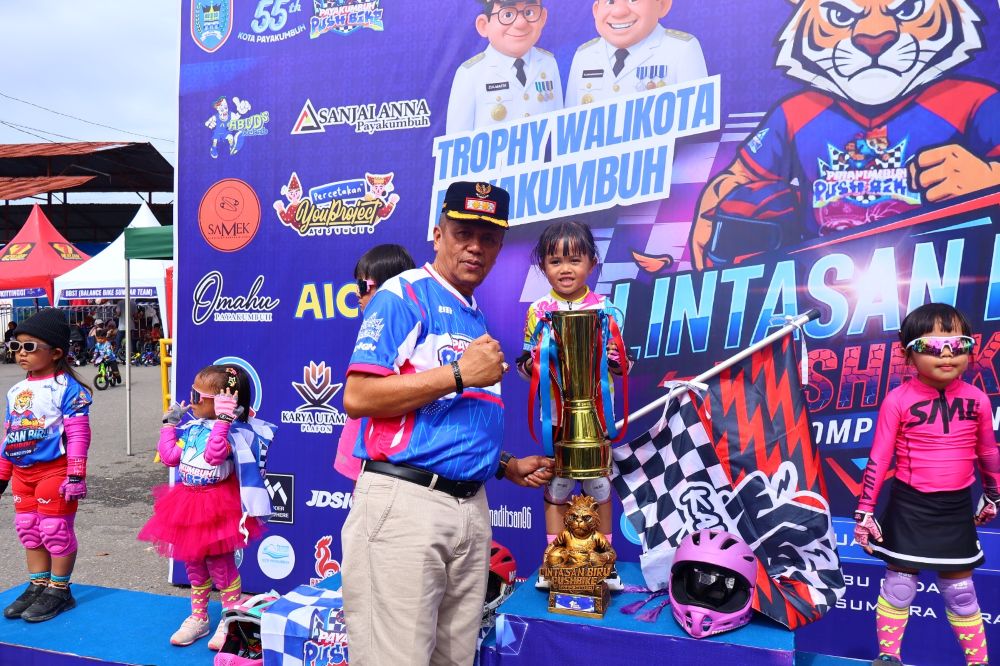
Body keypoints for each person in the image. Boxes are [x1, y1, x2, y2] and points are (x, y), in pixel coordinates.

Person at [341, 181, 554, 665]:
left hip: (470, 508)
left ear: (500, 247)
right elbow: (358, 397)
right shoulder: (403, 294)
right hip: (406, 504)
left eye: (488, 238)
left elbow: (449, 423)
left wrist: (506, 465)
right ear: (438, 235)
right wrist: (459, 373)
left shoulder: (473, 316)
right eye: (462, 234)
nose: (475, 247)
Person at [854, 303, 999, 666]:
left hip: (955, 507)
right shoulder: (897, 400)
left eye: (959, 344)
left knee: (961, 593)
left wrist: (994, 496)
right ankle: (889, 658)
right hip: (910, 505)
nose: (947, 354)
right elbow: (879, 458)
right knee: (899, 587)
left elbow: (988, 452)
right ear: (908, 354)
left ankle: (978, 662)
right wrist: (865, 511)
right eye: (932, 346)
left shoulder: (978, 400)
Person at [516, 220, 631, 590]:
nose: (565, 269)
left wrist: (615, 358)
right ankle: (553, 559)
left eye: (574, 260)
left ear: (592, 263)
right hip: (556, 419)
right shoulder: (538, 311)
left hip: (597, 416)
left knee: (600, 485)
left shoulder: (608, 310)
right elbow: (525, 365)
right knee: (558, 485)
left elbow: (622, 365)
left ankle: (605, 560)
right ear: (543, 266)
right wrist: (534, 363)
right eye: (555, 261)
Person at [138, 365, 273, 650]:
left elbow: (214, 455)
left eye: (198, 396)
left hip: (216, 505)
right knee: (195, 565)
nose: (192, 401)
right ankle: (199, 617)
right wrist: (169, 425)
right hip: (187, 502)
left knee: (221, 566)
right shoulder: (193, 428)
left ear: (225, 402)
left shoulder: (235, 433)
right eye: (192, 394)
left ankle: (230, 620)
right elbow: (169, 457)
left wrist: (223, 421)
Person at [0, 308, 93, 622]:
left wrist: (76, 474)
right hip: (22, 474)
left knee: (54, 530)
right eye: (15, 346)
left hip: (54, 471)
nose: (20, 353)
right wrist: (2, 474)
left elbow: (79, 433)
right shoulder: (15, 391)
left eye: (29, 346)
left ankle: (59, 589)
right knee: (29, 530)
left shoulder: (68, 388)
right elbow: (11, 435)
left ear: (55, 353)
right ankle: (38, 584)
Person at [334, 244, 416, 482]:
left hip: (394, 463)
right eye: (356, 285)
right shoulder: (373, 329)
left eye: (363, 285)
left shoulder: (409, 331)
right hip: (368, 460)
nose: (357, 294)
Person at [446, 0, 562, 134]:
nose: (521, 23)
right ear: (484, 25)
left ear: (542, 18)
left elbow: (560, 127)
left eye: (529, 12)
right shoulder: (471, 74)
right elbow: (458, 141)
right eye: (507, 15)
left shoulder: (548, 63)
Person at [565, 0, 706, 106]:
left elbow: (697, 121)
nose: (619, 11)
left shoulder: (682, 49)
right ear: (596, 11)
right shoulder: (584, 56)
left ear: (662, 5)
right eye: (610, 1)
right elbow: (568, 122)